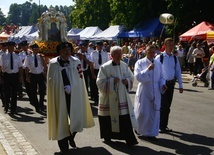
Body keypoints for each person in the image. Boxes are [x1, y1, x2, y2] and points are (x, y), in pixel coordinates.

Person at [47, 42, 94, 154]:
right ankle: (63, 146)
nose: (66, 52)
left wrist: (74, 87)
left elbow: (80, 78)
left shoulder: (76, 61)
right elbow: (51, 81)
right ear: (59, 52)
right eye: (64, 50)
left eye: (68, 49)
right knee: (61, 118)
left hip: (74, 95)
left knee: (76, 117)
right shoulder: (53, 63)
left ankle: (71, 136)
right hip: (60, 95)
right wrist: (62, 86)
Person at [96, 46, 138, 147]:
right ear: (112, 55)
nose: (119, 56)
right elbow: (99, 82)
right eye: (117, 54)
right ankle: (108, 136)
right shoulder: (105, 67)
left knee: (124, 117)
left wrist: (126, 81)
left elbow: (131, 77)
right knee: (108, 117)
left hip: (122, 96)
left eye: (121, 54)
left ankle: (129, 139)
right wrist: (111, 82)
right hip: (109, 98)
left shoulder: (124, 65)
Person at [134, 45, 167, 140]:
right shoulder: (140, 63)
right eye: (150, 52)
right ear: (146, 52)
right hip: (145, 90)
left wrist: (162, 85)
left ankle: (152, 133)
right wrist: (148, 69)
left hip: (156, 90)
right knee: (143, 112)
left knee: (154, 112)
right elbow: (138, 77)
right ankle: (141, 131)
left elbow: (162, 77)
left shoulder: (158, 64)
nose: (152, 54)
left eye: (153, 52)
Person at [155, 38, 183, 133]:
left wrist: (181, 85)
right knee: (164, 105)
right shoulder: (160, 57)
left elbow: (178, 71)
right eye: (169, 45)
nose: (171, 47)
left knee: (168, 106)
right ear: (165, 45)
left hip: (171, 84)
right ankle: (160, 125)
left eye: (172, 45)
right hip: (163, 84)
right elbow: (156, 71)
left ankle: (164, 125)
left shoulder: (174, 58)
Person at [0, 41, 23, 115]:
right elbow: (0, 67)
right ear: (7, 47)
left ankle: (13, 108)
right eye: (10, 47)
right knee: (6, 92)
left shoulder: (17, 56)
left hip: (15, 75)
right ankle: (6, 106)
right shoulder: (3, 56)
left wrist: (21, 76)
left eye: (12, 47)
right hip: (6, 75)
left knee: (14, 93)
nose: (11, 48)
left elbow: (20, 67)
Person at [24, 42, 46, 112]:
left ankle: (41, 104)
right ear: (32, 49)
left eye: (37, 49)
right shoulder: (28, 57)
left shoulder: (41, 56)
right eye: (34, 49)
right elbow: (26, 67)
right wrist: (27, 76)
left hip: (40, 75)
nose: (36, 50)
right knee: (33, 91)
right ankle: (37, 106)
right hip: (33, 75)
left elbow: (45, 66)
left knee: (42, 91)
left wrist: (42, 58)